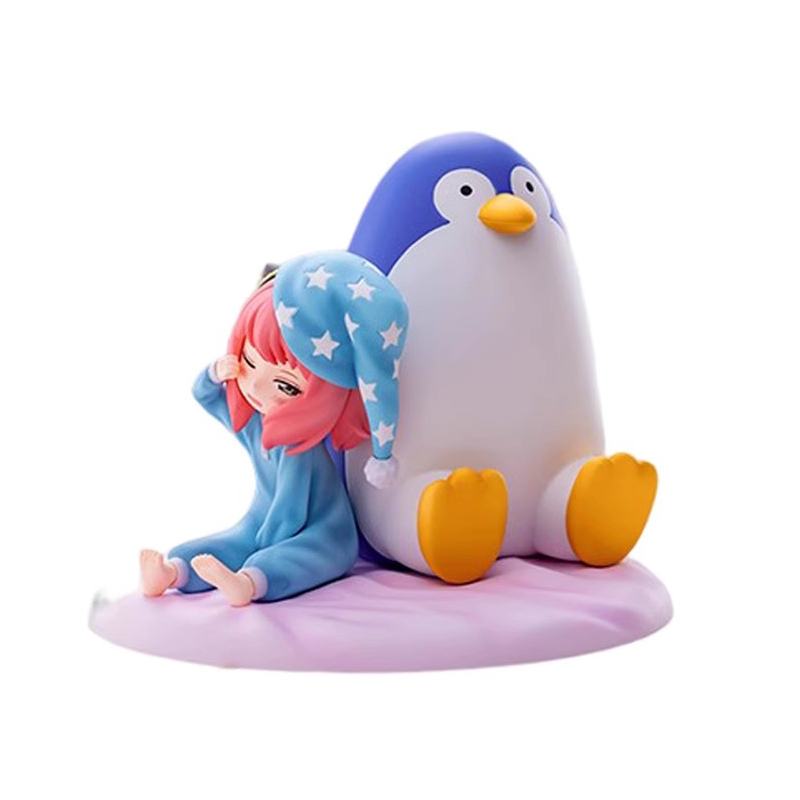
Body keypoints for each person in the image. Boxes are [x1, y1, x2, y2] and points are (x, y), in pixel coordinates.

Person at [139, 251, 408, 605]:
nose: (254, 386)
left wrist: (259, 544)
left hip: (323, 534)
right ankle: (175, 571)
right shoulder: (256, 424)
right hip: (264, 522)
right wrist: (215, 373)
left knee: (289, 557)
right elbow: (207, 398)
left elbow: (290, 511)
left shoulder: (299, 446)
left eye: (285, 386)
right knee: (225, 543)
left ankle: (249, 583)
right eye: (249, 362)